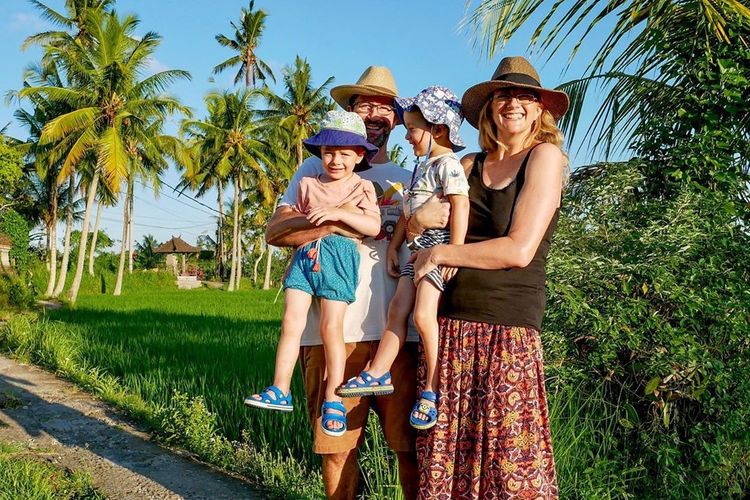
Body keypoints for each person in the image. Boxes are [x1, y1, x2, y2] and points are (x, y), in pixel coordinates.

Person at [409, 56, 568, 498]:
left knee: (510, 471)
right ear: (489, 107)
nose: (513, 102)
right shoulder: (465, 164)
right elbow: (420, 217)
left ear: (539, 109)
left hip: (507, 331)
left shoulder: (545, 157)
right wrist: (420, 221)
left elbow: (518, 249)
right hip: (449, 329)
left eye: (525, 95)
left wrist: (441, 251)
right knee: (448, 465)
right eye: (503, 94)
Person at [265, 66, 424, 499]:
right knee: (336, 451)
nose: (374, 113)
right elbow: (276, 230)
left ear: (395, 116)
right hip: (331, 332)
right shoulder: (315, 169)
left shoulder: (409, 175)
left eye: (384, 106)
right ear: (350, 112)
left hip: (397, 335)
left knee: (408, 449)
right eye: (364, 104)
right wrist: (340, 222)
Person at [335, 86, 469, 433]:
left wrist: (453, 250)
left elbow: (460, 207)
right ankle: (377, 371)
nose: (407, 136)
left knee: (423, 315)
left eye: (412, 128)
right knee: (399, 310)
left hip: (436, 249)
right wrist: (395, 246)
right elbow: (410, 213)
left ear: (437, 129)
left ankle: (431, 389)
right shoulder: (422, 166)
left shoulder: (449, 165)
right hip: (416, 248)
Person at [244, 111, 381, 438]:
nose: (336, 160)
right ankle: (280, 388)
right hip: (305, 256)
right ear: (319, 153)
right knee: (292, 321)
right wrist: (316, 223)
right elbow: (285, 223)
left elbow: (373, 226)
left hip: (339, 256)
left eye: (345, 154)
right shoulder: (306, 183)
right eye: (329, 152)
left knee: (331, 326)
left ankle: (333, 395)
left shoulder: (363, 187)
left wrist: (336, 213)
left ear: (359, 155)